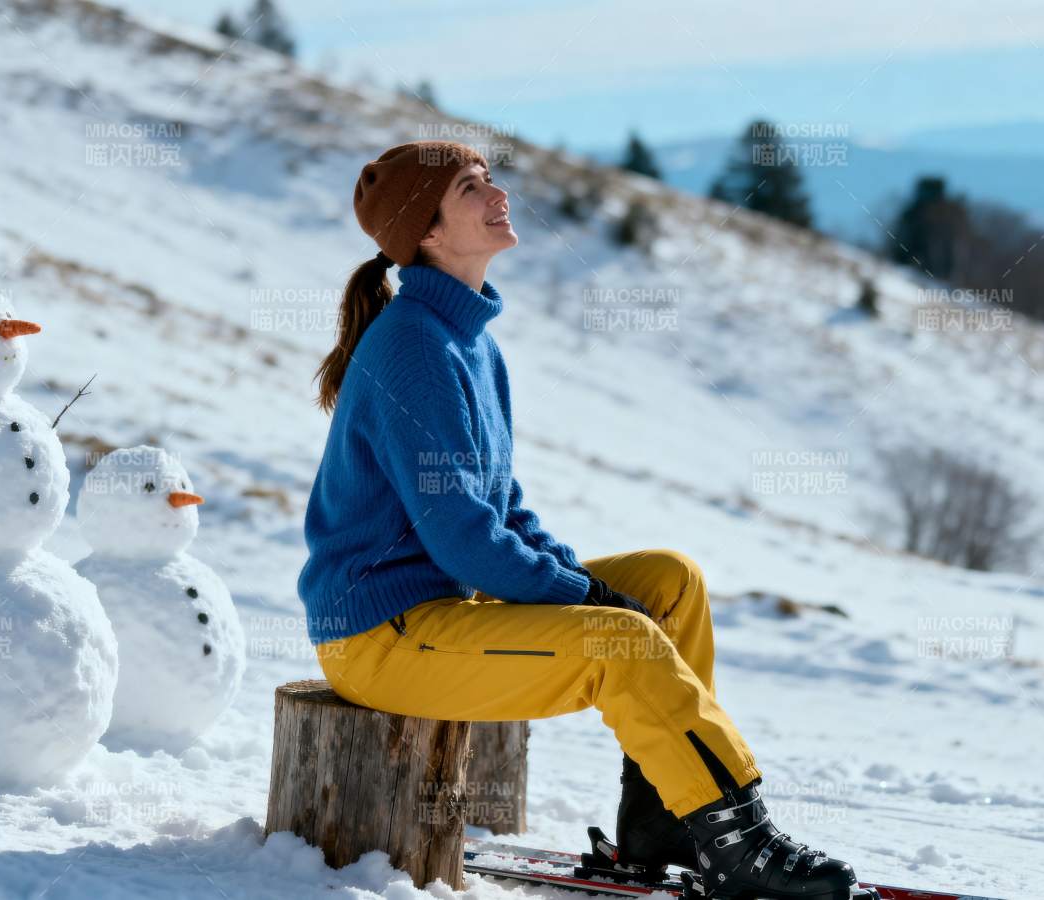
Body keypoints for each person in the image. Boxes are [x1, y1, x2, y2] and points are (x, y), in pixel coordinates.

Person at [296, 140, 857, 899]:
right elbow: (461, 533)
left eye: (490, 180)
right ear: (426, 230)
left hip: (440, 610)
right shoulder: (413, 349)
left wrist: (578, 580)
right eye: (470, 188)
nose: (497, 196)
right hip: (382, 637)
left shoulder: (468, 342)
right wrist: (588, 601)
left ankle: (665, 818)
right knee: (618, 641)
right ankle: (743, 849)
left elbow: (504, 507)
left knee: (668, 584)